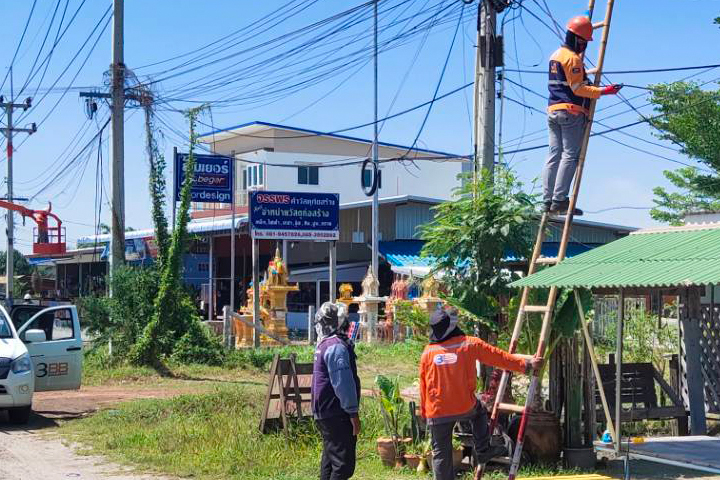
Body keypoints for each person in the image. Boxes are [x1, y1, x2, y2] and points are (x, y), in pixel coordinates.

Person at [419, 308, 543, 480]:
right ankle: (483, 449)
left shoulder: (428, 353)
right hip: (464, 406)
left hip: (437, 411)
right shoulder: (469, 344)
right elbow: (499, 357)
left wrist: (425, 413)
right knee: (479, 411)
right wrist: (526, 365)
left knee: (441, 454)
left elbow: (423, 385)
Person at [543, 15, 623, 216]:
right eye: (584, 42)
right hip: (571, 111)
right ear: (578, 40)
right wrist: (605, 91)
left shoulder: (556, 55)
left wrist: (586, 19)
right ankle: (559, 200)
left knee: (554, 155)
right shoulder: (572, 59)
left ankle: (547, 199)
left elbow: (575, 79)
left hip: (553, 111)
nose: (584, 47)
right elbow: (578, 88)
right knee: (570, 156)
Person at [311, 302, 361, 480]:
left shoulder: (323, 345)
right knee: (343, 465)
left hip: (325, 412)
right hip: (336, 412)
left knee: (330, 462)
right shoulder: (336, 346)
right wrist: (353, 413)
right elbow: (343, 383)